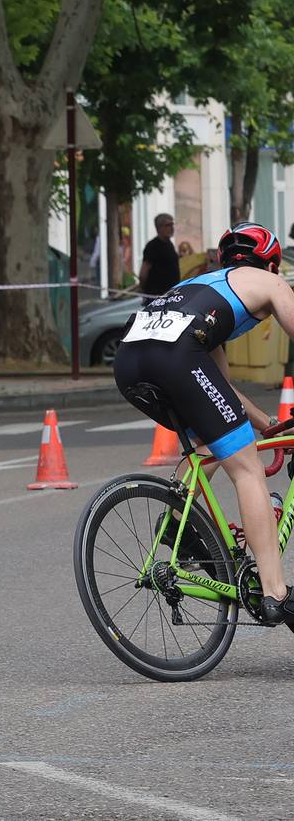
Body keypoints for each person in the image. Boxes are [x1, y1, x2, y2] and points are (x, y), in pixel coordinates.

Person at [114, 224, 294, 623]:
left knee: (212, 442)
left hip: (129, 362)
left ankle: (178, 519)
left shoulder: (202, 288)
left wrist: (267, 424)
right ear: (271, 263)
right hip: (177, 359)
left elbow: (222, 390)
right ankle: (275, 593)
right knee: (247, 470)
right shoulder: (270, 282)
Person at [139, 212, 181, 299]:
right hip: (156, 295)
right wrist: (144, 290)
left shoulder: (169, 244)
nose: (172, 228)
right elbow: (144, 272)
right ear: (160, 228)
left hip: (170, 293)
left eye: (172, 224)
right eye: (168, 225)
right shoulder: (152, 246)